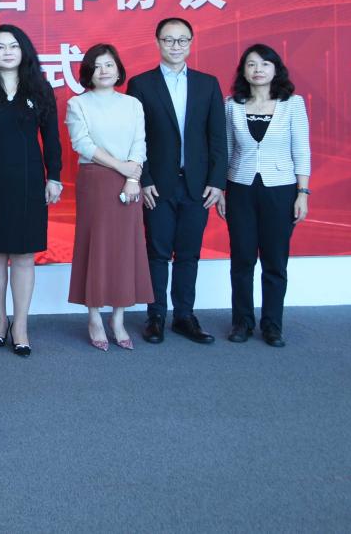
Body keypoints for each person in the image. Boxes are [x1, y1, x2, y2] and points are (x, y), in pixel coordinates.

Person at [0, 25, 62, 357]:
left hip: (29, 180)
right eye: (0, 46)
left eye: (13, 46)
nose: (7, 52)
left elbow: (52, 138)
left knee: (24, 255)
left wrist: (54, 176)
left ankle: (21, 325)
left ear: (24, 51)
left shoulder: (40, 88)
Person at [127, 18, 226, 345]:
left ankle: (184, 316)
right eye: (169, 40)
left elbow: (217, 137)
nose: (175, 46)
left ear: (191, 43)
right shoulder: (141, 84)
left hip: (198, 185)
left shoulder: (207, 84)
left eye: (182, 40)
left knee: (188, 253)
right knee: (156, 251)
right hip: (157, 184)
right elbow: (135, 137)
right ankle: (155, 316)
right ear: (157, 42)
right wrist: (143, 178)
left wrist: (217, 181)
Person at [216, 44, 311, 347]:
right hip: (240, 187)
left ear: (275, 69)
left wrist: (302, 192)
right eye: (251, 64)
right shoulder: (231, 105)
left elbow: (302, 149)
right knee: (242, 259)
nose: (258, 70)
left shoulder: (292, 104)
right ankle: (242, 322)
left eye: (265, 64)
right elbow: (225, 149)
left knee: (274, 261)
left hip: (280, 189)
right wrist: (221, 190)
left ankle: (272, 325)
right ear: (243, 71)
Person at [64, 44, 154, 351]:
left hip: (130, 182)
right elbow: (82, 144)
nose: (103, 71)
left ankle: (118, 319)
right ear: (88, 72)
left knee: (124, 249)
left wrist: (132, 178)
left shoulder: (132, 104)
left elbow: (140, 143)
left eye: (109, 65)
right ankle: (94, 318)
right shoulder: (78, 104)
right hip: (96, 180)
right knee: (96, 247)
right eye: (97, 66)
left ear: (118, 70)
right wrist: (120, 167)